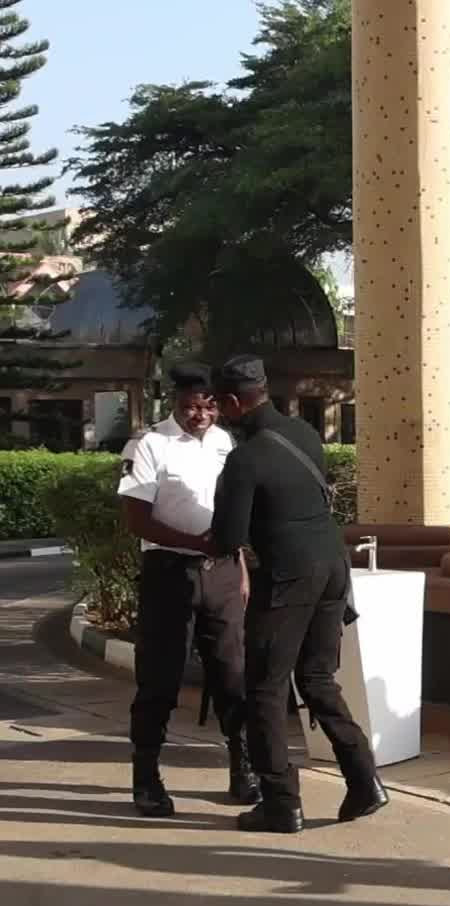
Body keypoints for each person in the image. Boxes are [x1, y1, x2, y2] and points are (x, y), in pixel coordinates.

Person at [208, 355, 385, 834]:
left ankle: (281, 802)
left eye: (221, 406)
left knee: (264, 689)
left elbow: (227, 538)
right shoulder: (305, 435)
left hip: (288, 579)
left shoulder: (244, 458)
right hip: (333, 569)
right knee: (318, 677)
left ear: (231, 401)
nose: (221, 415)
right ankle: (364, 779)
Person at [116, 363, 256, 816]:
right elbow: (137, 519)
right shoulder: (148, 444)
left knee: (232, 675)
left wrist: (239, 567)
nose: (201, 414)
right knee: (160, 677)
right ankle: (147, 777)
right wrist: (195, 542)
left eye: (209, 404)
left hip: (221, 573)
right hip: (168, 573)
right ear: (175, 403)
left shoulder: (224, 442)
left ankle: (242, 767)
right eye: (192, 405)